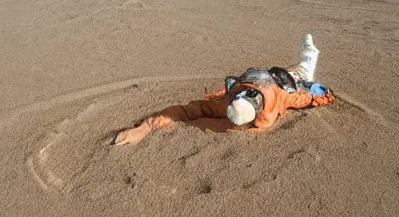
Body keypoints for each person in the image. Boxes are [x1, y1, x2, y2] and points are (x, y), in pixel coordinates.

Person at [112, 34, 335, 146]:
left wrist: (323, 95)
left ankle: (309, 55)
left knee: (305, 74)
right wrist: (146, 127)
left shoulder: (278, 99)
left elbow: (303, 98)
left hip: (287, 83)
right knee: (302, 73)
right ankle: (306, 58)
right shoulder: (228, 100)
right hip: (266, 78)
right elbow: (185, 112)